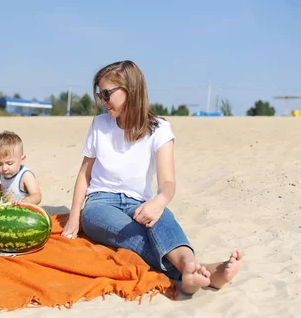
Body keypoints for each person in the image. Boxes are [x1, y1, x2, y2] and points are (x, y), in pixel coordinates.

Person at [61, 60, 244, 294]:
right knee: (132, 233)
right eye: (99, 94)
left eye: (107, 94)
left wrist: (158, 202)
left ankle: (189, 264)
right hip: (100, 203)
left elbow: (168, 183)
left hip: (140, 202)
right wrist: (75, 216)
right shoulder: (99, 124)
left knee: (163, 217)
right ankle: (197, 271)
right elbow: (85, 174)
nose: (102, 101)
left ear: (131, 90)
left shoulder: (160, 129)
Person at [0, 131, 41, 205]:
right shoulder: (2, 175)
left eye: (9, 163)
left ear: (22, 160)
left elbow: (37, 196)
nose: (4, 168)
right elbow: (4, 186)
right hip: (9, 212)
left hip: (25, 212)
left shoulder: (26, 176)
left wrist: (26, 201)